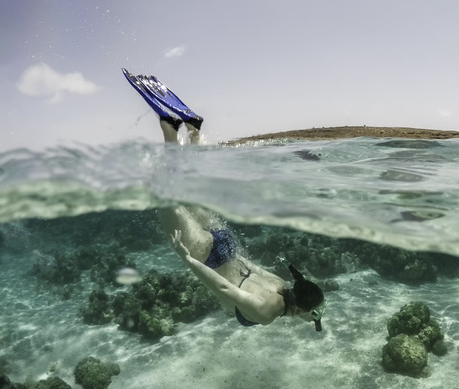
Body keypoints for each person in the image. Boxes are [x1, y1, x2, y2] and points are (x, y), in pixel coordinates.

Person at [122, 68, 326, 331]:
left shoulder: (282, 285)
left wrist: (312, 313)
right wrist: (188, 260)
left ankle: (188, 131)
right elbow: (222, 287)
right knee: (165, 193)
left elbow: (258, 273)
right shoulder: (268, 312)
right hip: (206, 257)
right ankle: (172, 131)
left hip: (226, 245)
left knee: (185, 189)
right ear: (301, 308)